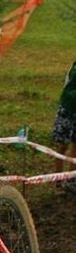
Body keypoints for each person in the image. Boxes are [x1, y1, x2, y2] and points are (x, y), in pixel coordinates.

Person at [52, 61, 76, 194]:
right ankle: (60, 179)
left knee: (70, 147)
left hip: (66, 108)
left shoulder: (73, 65)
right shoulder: (74, 67)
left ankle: (69, 180)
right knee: (64, 146)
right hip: (67, 109)